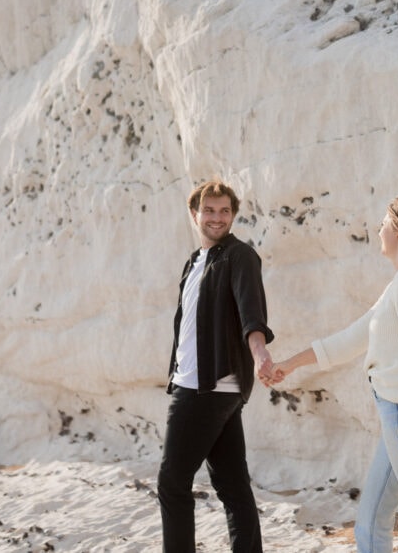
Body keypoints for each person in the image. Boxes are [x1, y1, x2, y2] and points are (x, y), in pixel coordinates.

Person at [271, 194, 398, 553]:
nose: (378, 229)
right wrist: (288, 364)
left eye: (384, 222)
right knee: (370, 519)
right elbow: (349, 340)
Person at [158, 180, 276, 553]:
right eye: (209, 210)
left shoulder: (239, 256)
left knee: (172, 484)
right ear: (194, 214)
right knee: (232, 486)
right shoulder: (194, 261)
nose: (217, 218)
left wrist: (260, 355)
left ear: (233, 215)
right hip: (202, 385)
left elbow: (251, 313)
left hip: (205, 388)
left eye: (225, 211)